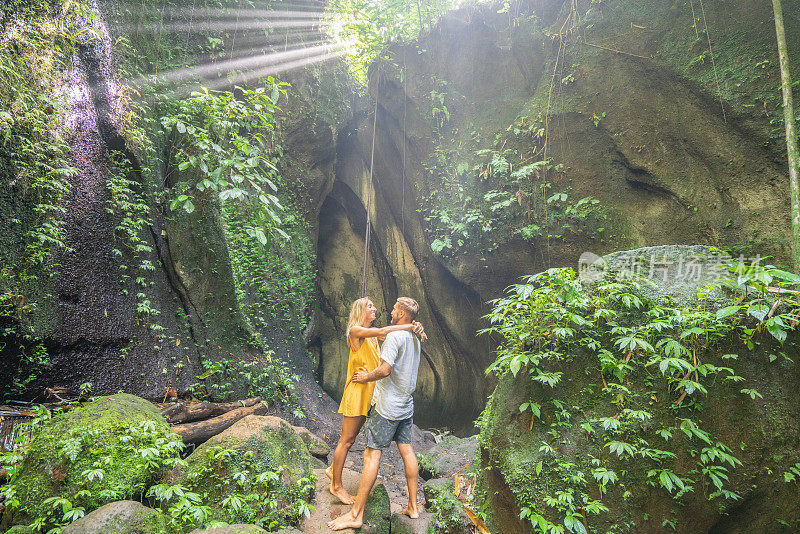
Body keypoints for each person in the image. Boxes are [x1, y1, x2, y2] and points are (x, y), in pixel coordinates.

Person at [328, 297, 423, 530]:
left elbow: (387, 334)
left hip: (373, 395)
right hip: (359, 391)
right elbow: (386, 331)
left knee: (354, 442)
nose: (377, 309)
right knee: (347, 440)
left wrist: (414, 325)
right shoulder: (356, 330)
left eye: (376, 306)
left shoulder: (373, 334)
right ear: (360, 309)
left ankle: (333, 470)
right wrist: (412, 325)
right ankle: (336, 484)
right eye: (370, 306)